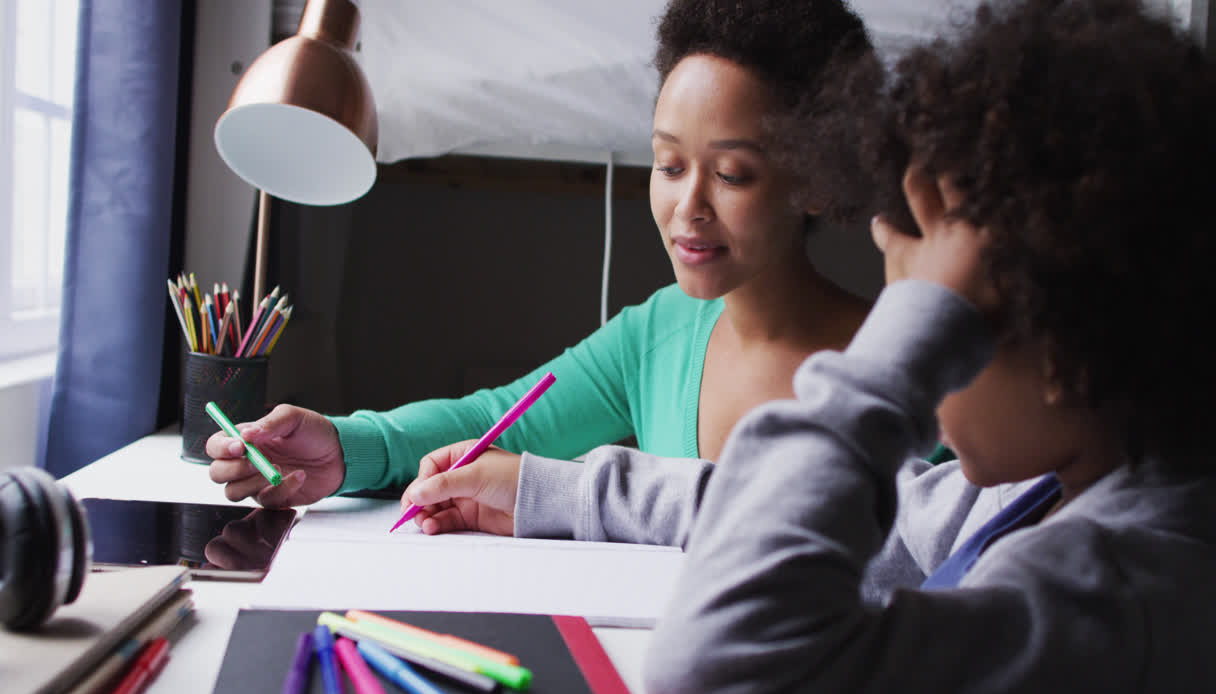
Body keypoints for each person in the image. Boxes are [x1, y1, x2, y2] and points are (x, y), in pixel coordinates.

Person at [414, 0, 1216, 694]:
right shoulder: (1064, 490)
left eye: (942, 324)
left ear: (1061, 346)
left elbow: (713, 670)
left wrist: (897, 352)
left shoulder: (1139, 595)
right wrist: (548, 492)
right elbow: (878, 516)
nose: (916, 353)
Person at [206, 0, 880, 519]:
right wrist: (343, 448)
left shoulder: (908, 368)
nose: (688, 206)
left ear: (817, 180)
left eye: (732, 174)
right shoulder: (660, 335)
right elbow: (495, 420)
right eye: (668, 164)